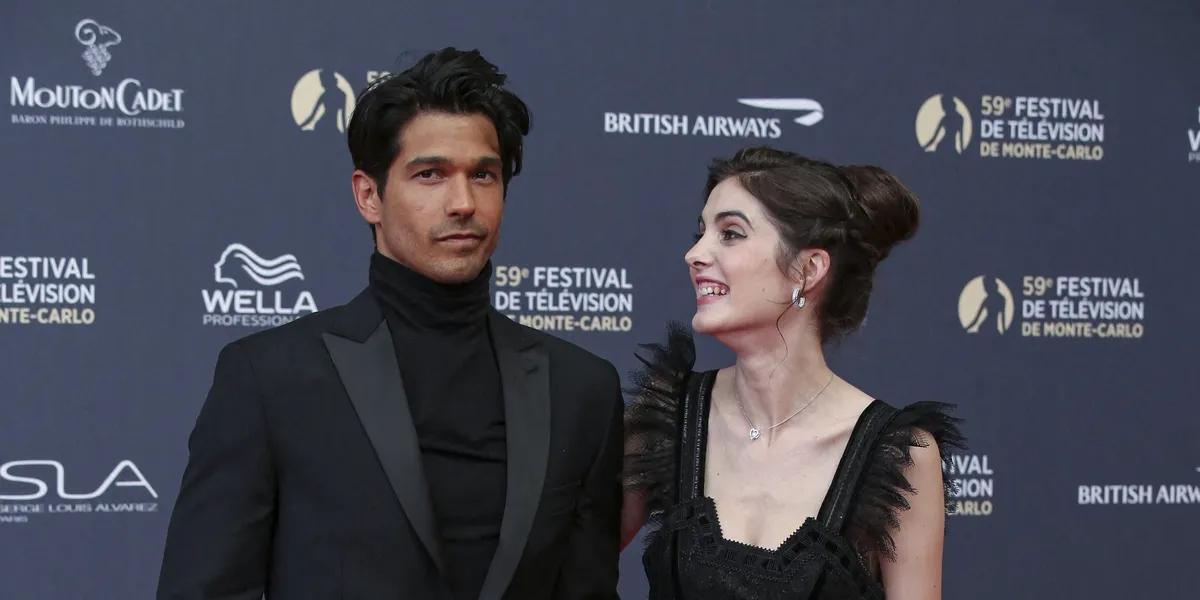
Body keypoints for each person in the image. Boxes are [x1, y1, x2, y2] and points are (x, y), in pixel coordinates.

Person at [156, 48, 624, 600]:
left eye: (484, 175)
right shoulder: (268, 379)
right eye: (430, 174)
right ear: (368, 196)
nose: (462, 202)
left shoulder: (581, 389)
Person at [619, 146, 967, 599]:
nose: (694, 254)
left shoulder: (898, 455)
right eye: (701, 232)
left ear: (808, 269)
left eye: (730, 234)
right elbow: (564, 564)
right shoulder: (668, 418)